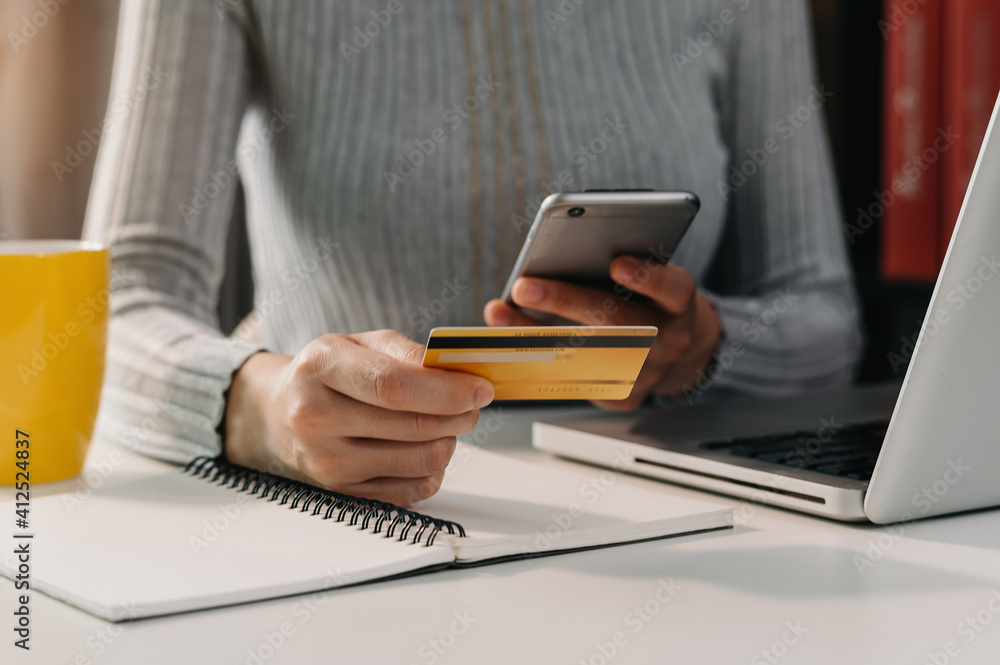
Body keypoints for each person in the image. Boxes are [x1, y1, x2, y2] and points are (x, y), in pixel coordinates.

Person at [84, 0, 862, 505]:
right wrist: (263, 407)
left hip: (682, 519)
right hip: (357, 527)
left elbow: (825, 316)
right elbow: (114, 308)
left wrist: (707, 346)